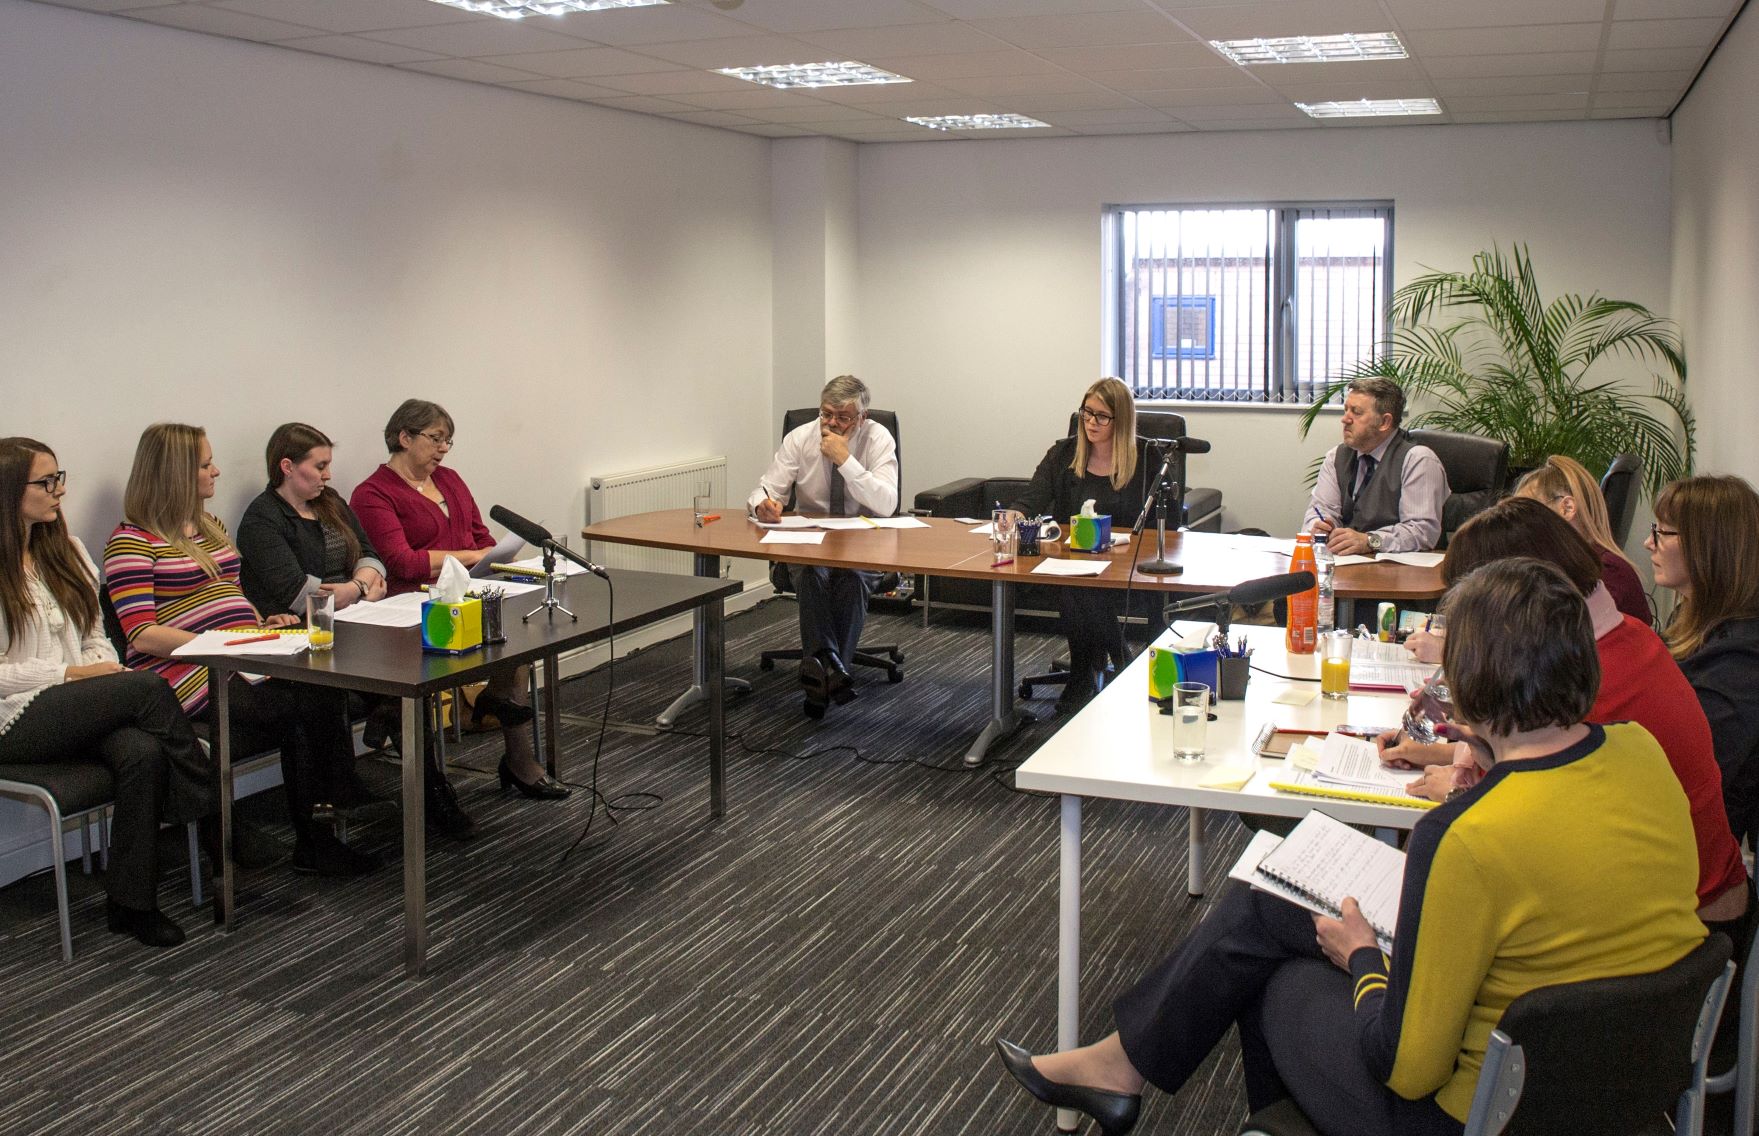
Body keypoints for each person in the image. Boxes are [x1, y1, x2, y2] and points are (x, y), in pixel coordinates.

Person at [995, 557, 1706, 1136]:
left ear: (1474, 679)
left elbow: (1405, 1066)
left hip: (1478, 1114)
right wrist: (1483, 754)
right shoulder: (1639, 753)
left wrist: (1362, 955)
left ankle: (1183, 1094)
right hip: (1620, 1083)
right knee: (1271, 899)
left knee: (1275, 979)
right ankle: (1121, 1069)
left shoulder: (1466, 839)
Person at [1383, 496, 1750, 936]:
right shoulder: (1620, 638)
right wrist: (1446, 755)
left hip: (1670, 923)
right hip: (1674, 897)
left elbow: (1529, 825)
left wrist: (1460, 793)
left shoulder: (1581, 684)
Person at [103, 423, 379, 878]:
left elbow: (228, 591)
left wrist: (256, 621)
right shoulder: (131, 543)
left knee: (324, 677)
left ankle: (331, 812)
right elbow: (142, 634)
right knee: (302, 700)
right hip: (186, 668)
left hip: (241, 649)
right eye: (205, 463)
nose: (217, 471)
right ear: (174, 473)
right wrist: (222, 643)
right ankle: (320, 833)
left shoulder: (208, 526)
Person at [0, 437, 217, 947]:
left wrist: (98, 670)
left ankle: (131, 903)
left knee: (141, 750)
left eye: (60, 477)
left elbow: (98, 637)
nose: (59, 490)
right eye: (45, 482)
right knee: (146, 688)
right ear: (9, 491)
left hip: (78, 706)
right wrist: (72, 677)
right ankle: (210, 810)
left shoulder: (67, 551)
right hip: (12, 720)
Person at [350, 399, 568, 829]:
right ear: (403, 437)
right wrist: (471, 555)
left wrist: (487, 555)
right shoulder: (372, 493)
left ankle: (517, 754)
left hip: (468, 595)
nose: (444, 449)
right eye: (435, 439)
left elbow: (482, 536)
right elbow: (403, 563)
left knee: (521, 641)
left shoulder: (448, 480)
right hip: (413, 608)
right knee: (489, 649)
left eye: (448, 440)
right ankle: (443, 781)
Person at [747, 375, 899, 717]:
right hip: (810, 541)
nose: (831, 423)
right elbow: (766, 488)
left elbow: (887, 503)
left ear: (862, 417)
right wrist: (763, 505)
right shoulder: (800, 438)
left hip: (864, 542)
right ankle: (833, 673)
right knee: (813, 570)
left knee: (852, 577)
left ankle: (821, 672)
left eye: (843, 417)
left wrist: (846, 461)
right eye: (826, 414)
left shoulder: (878, 439)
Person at [1009, 378, 1146, 709]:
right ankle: (1113, 662)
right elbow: (1032, 499)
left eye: (1101, 416)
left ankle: (1085, 672)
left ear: (1121, 420)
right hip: (1070, 562)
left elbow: (1161, 526)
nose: (1090, 422)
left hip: (1125, 567)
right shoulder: (1063, 454)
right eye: (1086, 413)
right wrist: (1014, 515)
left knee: (1083, 589)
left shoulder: (1145, 461)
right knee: (1076, 585)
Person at [1650, 474, 1759, 851]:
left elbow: (1690, 767)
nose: (1650, 543)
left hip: (1693, 847)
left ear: (1707, 546)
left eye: (1662, 532)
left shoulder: (1742, 657)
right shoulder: (1692, 621)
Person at [237, 422, 388, 619]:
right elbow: (298, 594)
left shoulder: (330, 499)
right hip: (302, 625)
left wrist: (356, 587)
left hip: (354, 610)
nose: (328, 475)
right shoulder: (261, 518)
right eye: (320, 467)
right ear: (287, 467)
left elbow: (370, 555)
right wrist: (360, 592)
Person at [1302, 376, 1447, 556]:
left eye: (1356, 412)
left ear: (1384, 422)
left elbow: (1422, 532)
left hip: (1405, 573)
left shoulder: (1419, 460)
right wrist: (1319, 526)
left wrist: (1370, 541)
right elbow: (1318, 511)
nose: (1345, 419)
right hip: (1348, 568)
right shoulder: (1335, 457)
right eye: (1346, 410)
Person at [1512, 454, 1648, 622]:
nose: (1520, 525)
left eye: (1528, 512)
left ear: (1567, 508)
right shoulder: (1572, 566)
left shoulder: (1606, 572)